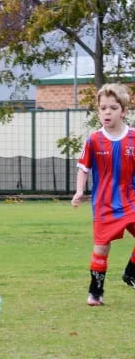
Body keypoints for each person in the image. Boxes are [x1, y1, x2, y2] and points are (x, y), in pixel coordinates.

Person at [72, 83, 135, 306]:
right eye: (103, 108)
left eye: (113, 108)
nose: (107, 112)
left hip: (130, 201)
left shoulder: (133, 139)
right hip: (104, 205)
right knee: (101, 248)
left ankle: (131, 272)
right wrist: (80, 190)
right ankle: (95, 292)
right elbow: (83, 167)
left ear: (124, 111)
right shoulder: (94, 140)